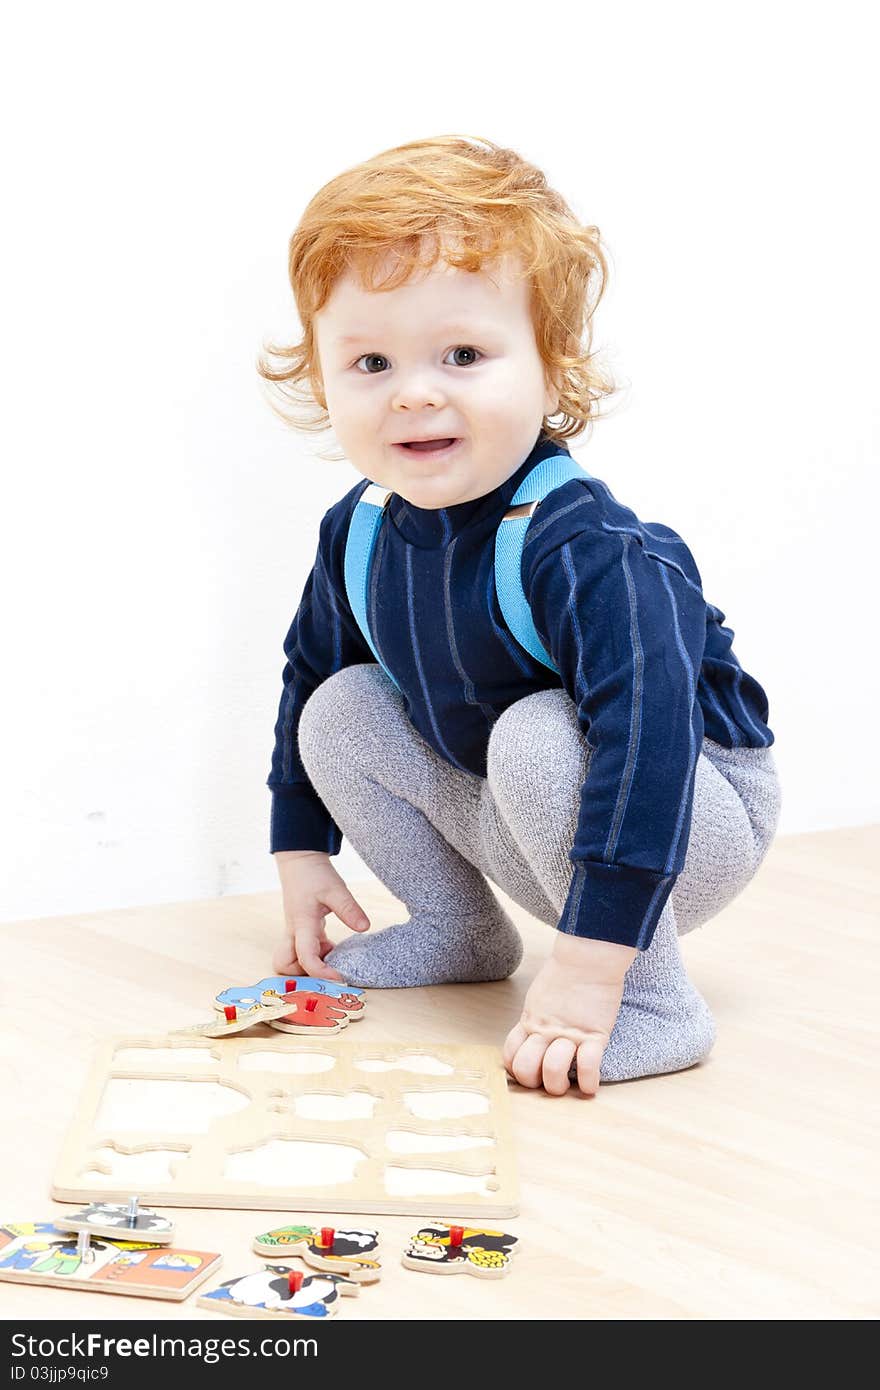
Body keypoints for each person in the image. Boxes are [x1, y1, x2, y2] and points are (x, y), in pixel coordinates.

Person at [258, 134, 781, 1097]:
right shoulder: (361, 528)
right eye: (370, 361)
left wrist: (585, 974)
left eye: (463, 353)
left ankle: (655, 999)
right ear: (321, 378)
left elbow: (650, 742)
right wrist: (300, 847)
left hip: (685, 817)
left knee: (538, 732)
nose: (416, 390)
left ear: (553, 365)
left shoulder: (584, 547)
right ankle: (460, 928)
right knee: (342, 701)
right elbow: (303, 677)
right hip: (524, 809)